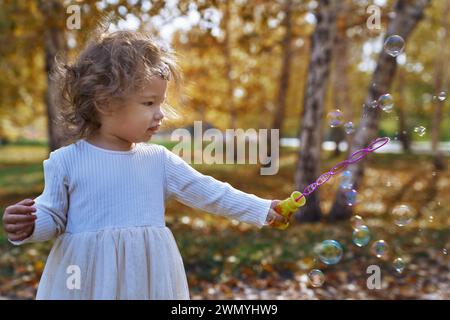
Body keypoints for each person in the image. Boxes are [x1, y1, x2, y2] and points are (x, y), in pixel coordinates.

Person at [2, 29, 287, 299]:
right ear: (105, 102)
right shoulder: (67, 161)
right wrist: (30, 224)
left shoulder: (158, 160)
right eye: (149, 103)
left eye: (160, 102)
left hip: (147, 278)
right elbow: (53, 215)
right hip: (87, 280)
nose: (160, 114)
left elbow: (209, 192)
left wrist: (262, 209)